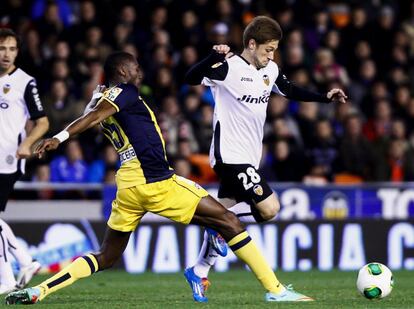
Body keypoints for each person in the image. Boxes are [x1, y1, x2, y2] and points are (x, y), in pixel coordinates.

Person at [5, 51, 312, 305]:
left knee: (107, 256)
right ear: (123, 70)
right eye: (136, 66)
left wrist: (63, 134)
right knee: (230, 223)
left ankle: (40, 290)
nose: (140, 71)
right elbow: (93, 117)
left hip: (127, 186)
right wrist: (58, 138)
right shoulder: (124, 91)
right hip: (156, 181)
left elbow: (91, 114)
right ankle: (275, 290)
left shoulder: (105, 97)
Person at [184, 15, 347, 301]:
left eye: (274, 50)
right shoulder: (228, 68)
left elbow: (291, 89)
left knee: (222, 212)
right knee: (270, 209)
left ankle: (198, 270)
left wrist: (324, 97)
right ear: (251, 43)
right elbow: (190, 78)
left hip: (249, 158)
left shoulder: (270, 70)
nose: (271, 55)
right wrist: (211, 56)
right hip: (230, 156)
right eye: (267, 49)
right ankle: (271, 287)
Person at [0, 29, 48, 294]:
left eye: (11, 49)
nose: (6, 54)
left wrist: (27, 143)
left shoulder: (25, 82)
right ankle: (25, 262)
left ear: (17, 52)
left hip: (8, 159)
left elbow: (43, 121)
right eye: (2, 48)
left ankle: (8, 278)